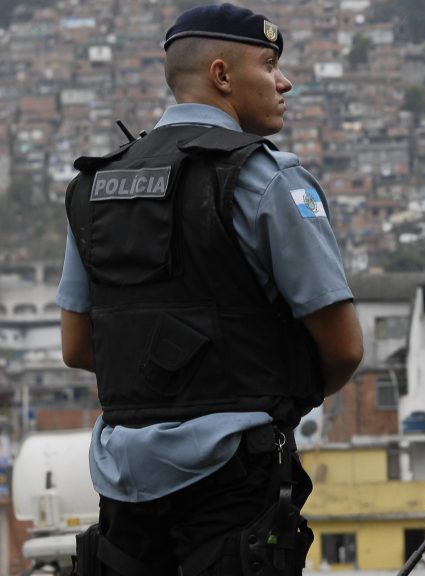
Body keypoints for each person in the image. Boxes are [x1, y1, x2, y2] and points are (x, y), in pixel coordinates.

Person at [56, 4, 363, 575]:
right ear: (222, 76)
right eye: (270, 63)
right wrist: (262, 394)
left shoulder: (94, 186)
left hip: (123, 488)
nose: (284, 80)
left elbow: (77, 348)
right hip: (233, 484)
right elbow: (344, 348)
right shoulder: (267, 178)